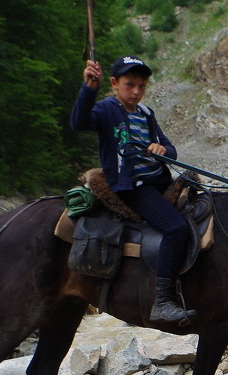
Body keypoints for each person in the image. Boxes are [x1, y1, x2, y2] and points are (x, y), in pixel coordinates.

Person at [71, 55, 197, 327]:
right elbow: (79, 123)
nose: (137, 91)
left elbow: (169, 147)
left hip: (157, 181)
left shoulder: (147, 114)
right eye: (130, 85)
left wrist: (163, 150)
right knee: (175, 228)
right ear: (115, 83)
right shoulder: (106, 110)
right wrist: (89, 89)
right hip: (132, 187)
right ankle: (162, 302)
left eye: (141, 86)